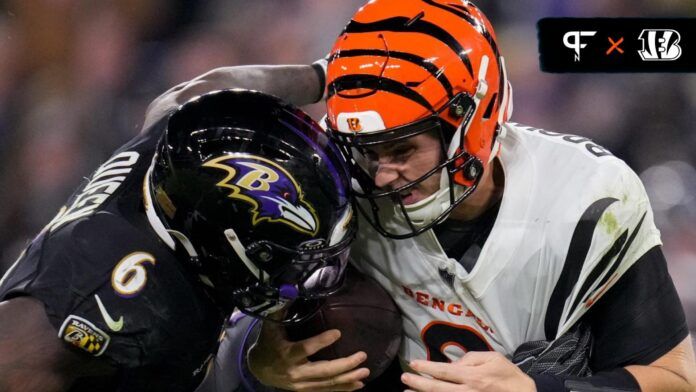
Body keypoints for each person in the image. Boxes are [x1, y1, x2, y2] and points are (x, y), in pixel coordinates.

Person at [244, 1, 696, 391]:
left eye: (402, 149)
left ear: (473, 124)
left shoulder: (585, 200)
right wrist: (259, 362)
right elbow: (217, 342)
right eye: (367, 151)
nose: (381, 176)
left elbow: (674, 380)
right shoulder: (333, 188)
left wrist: (539, 389)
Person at [0, 83, 358, 391]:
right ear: (224, 239)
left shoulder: (177, 148)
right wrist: (252, 367)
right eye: (284, 254)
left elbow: (201, 89)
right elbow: (13, 360)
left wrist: (322, 74)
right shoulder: (123, 305)